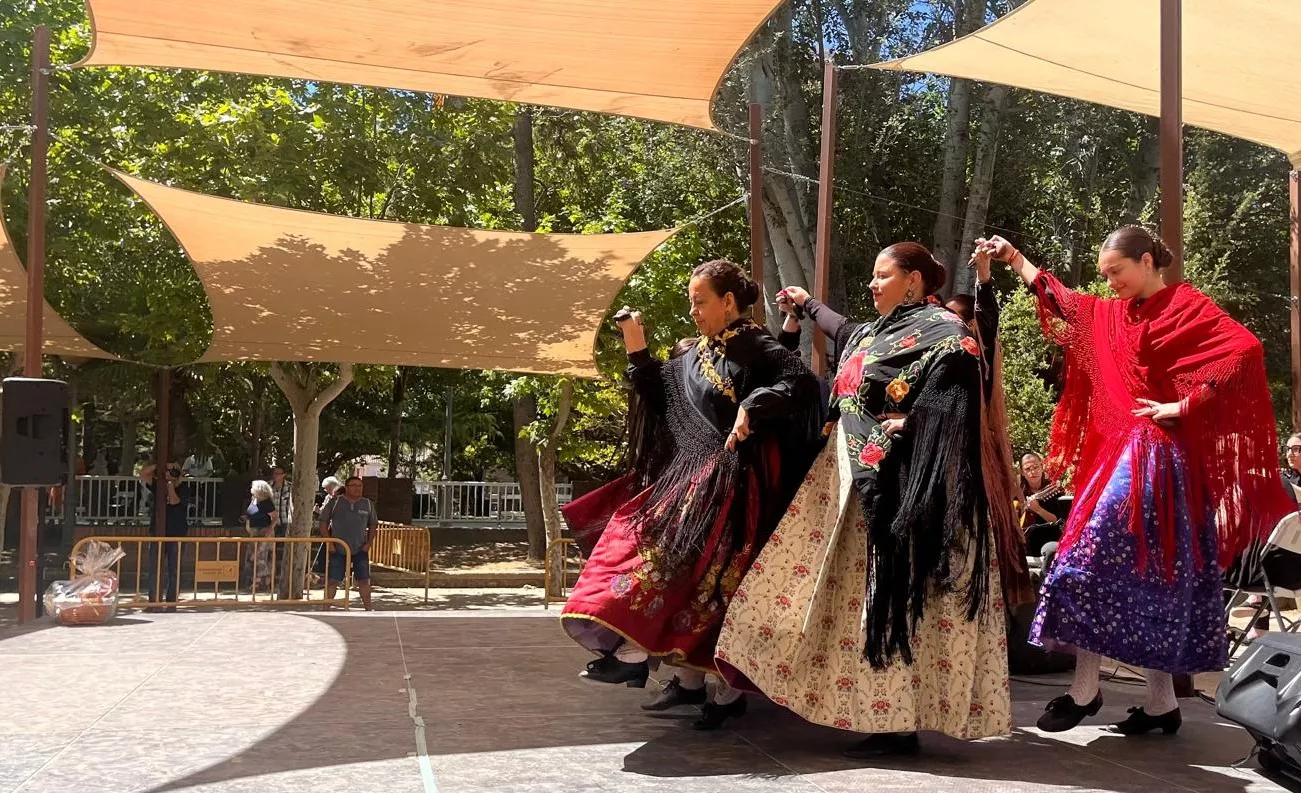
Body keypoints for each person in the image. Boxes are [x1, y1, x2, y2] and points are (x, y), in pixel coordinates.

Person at [979, 226, 1292, 736]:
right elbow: (1065, 301)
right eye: (1105, 276)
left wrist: (1186, 404)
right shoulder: (1113, 315)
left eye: (1116, 273)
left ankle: (1086, 689)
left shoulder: (1187, 306)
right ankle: (1161, 703)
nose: (1110, 284)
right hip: (1124, 452)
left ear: (1147, 261)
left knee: (1086, 561)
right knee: (1143, 575)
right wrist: (1014, 258)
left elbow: (1243, 349)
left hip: (1157, 453)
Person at [715, 242, 1008, 758]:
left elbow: (962, 402)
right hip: (847, 483)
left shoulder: (948, 335)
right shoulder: (875, 334)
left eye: (882, 275)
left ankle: (899, 724)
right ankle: (875, 713)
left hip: (905, 490)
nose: (873, 284)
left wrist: (914, 421)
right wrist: (806, 305)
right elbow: (841, 328)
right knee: (846, 600)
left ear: (913, 280)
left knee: (898, 603)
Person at [560, 259, 822, 730]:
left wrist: (754, 404)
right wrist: (636, 348)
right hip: (693, 478)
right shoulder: (699, 352)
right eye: (691, 303)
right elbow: (663, 404)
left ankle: (663, 665)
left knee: (681, 571)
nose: (694, 311)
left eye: (700, 301)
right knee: (640, 548)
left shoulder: (750, 342)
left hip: (731, 486)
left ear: (727, 302)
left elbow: (800, 382)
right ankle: (640, 655)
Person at [138, 460, 192, 611]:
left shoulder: (184, 488)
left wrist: (170, 482)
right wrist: (161, 466)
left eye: (176, 471)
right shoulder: (158, 484)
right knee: (155, 567)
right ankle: (153, 601)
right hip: (157, 531)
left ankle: (171, 602)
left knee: (174, 569)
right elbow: (143, 474)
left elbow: (174, 501)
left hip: (177, 532)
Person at [319, 476, 378, 610]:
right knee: (333, 580)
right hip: (338, 548)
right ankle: (325, 609)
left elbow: (373, 524)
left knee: (363, 580)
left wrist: (369, 543)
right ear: (346, 487)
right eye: (354, 485)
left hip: (360, 549)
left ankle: (369, 609)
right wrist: (330, 543)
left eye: (360, 486)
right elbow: (323, 522)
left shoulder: (367, 504)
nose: (358, 488)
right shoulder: (335, 503)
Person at [243, 479, 280, 591]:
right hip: (253, 531)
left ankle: (259, 582)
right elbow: (250, 514)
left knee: (260, 556)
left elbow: (275, 517)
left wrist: (270, 528)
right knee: (252, 556)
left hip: (264, 531)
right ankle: (261, 581)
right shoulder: (253, 500)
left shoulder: (266, 502)